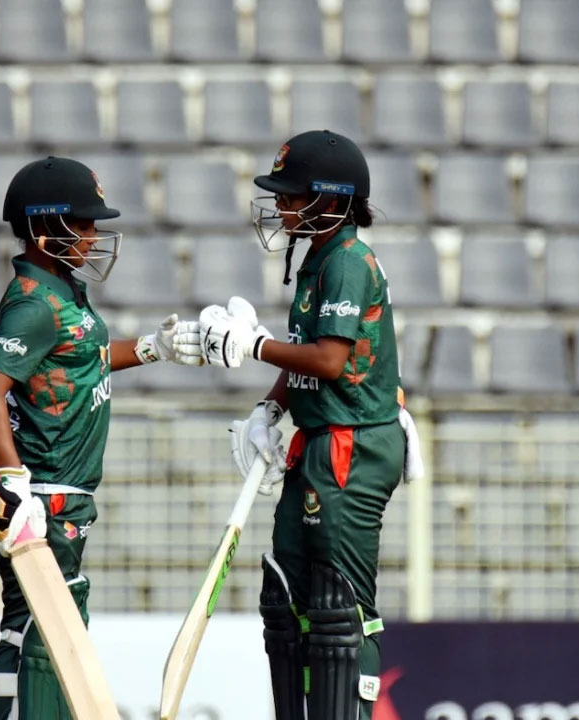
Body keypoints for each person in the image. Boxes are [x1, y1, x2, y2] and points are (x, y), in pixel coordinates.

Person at [197, 130, 424, 720]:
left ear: (333, 200)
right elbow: (306, 349)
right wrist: (269, 410)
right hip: (320, 439)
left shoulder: (348, 261)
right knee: (289, 602)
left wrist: (253, 344)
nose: (280, 206)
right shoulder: (319, 257)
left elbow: (328, 360)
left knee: (339, 608)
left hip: (352, 442)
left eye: (293, 195)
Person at [0, 156, 201, 720]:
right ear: (44, 228)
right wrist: (14, 485)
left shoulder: (63, 289)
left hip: (63, 493)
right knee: (39, 629)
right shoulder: (34, 303)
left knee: (43, 625)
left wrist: (152, 348)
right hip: (43, 493)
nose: (94, 236)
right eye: (82, 224)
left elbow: (85, 356)